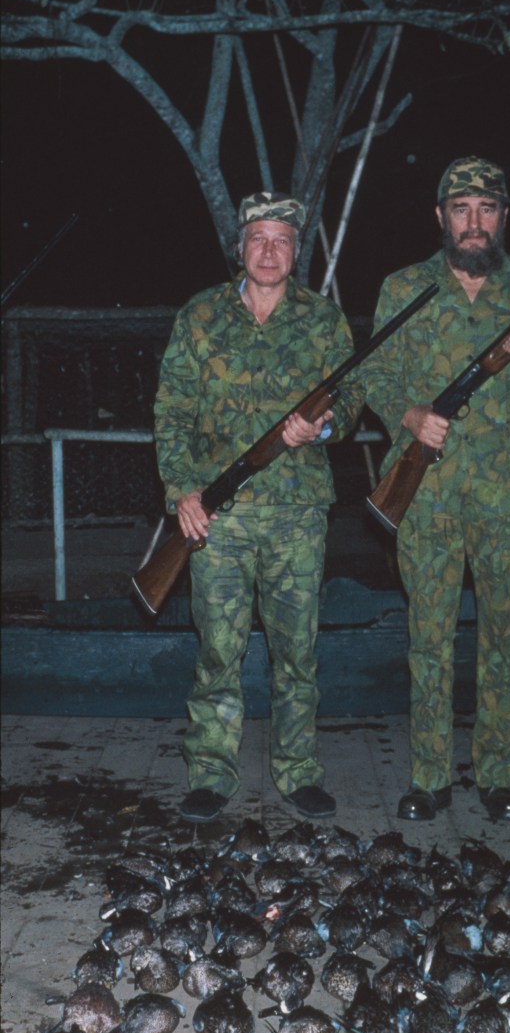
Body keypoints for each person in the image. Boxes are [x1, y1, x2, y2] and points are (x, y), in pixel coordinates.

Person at [362, 156, 510, 822]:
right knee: (428, 635)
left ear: (504, 217)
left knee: (502, 632)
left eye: (487, 209)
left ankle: (499, 778)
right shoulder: (404, 288)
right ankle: (429, 778)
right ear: (441, 218)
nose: (474, 222)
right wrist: (411, 416)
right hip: (425, 493)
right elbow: (372, 377)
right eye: (461, 209)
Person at [153, 192, 364, 823]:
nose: (269, 251)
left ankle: (298, 772)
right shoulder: (200, 316)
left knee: (296, 650)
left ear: (297, 252)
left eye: (281, 240)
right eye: (258, 239)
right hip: (219, 515)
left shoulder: (324, 320)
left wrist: (322, 428)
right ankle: (211, 774)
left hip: (298, 512)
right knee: (219, 649)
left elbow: (352, 398)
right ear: (240, 248)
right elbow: (172, 411)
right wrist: (182, 491)